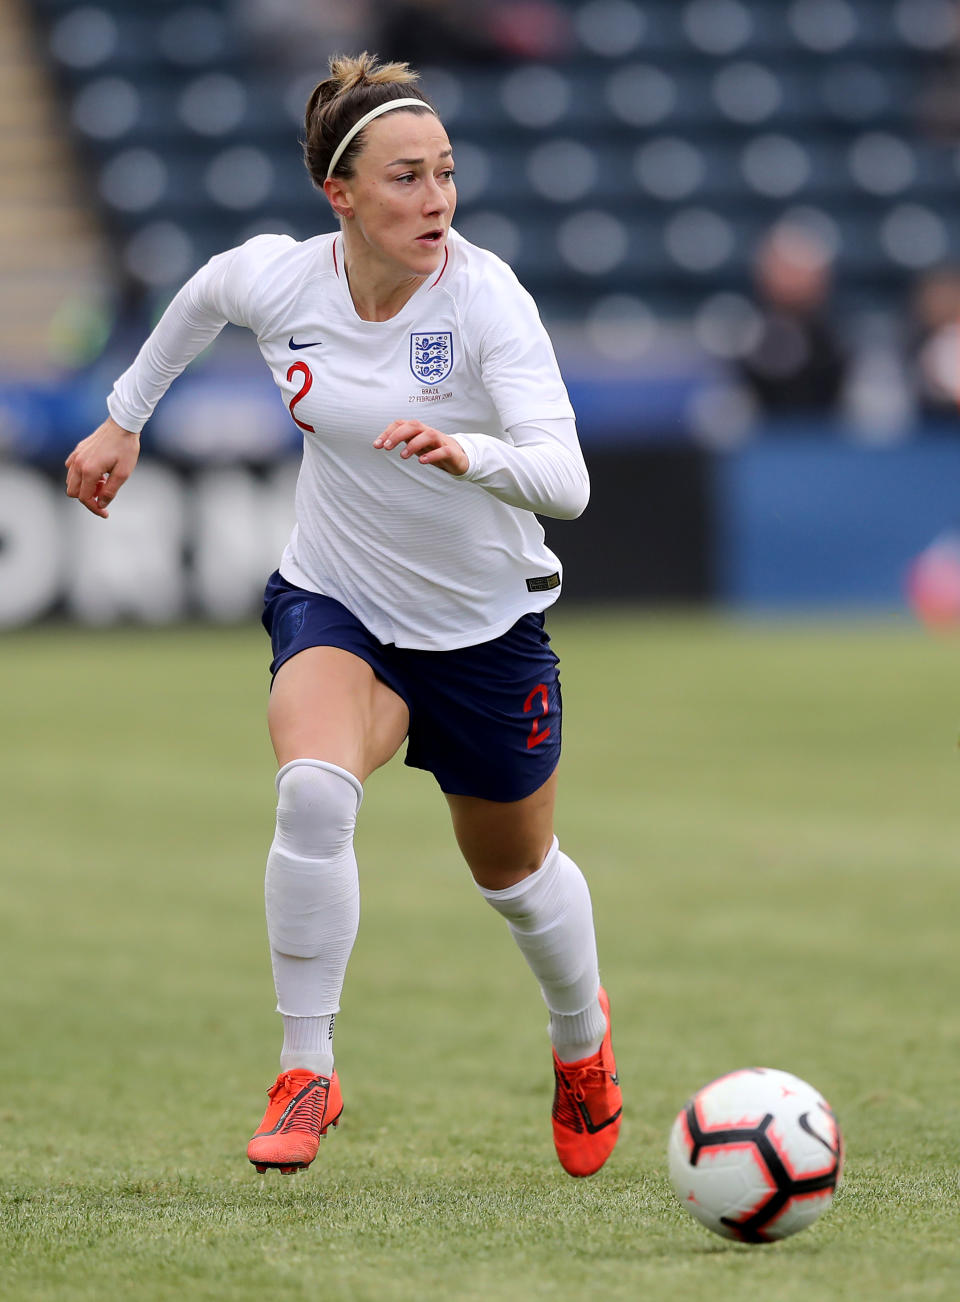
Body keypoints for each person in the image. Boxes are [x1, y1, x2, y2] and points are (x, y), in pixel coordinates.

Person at [64, 51, 621, 1180]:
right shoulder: (280, 279)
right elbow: (198, 303)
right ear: (342, 194)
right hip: (340, 598)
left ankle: (581, 1043)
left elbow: (568, 483)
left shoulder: (486, 298)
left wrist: (473, 455)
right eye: (407, 178)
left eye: (446, 175)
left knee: (513, 876)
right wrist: (123, 421)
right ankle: (306, 1069)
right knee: (314, 790)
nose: (435, 201)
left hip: (481, 631)